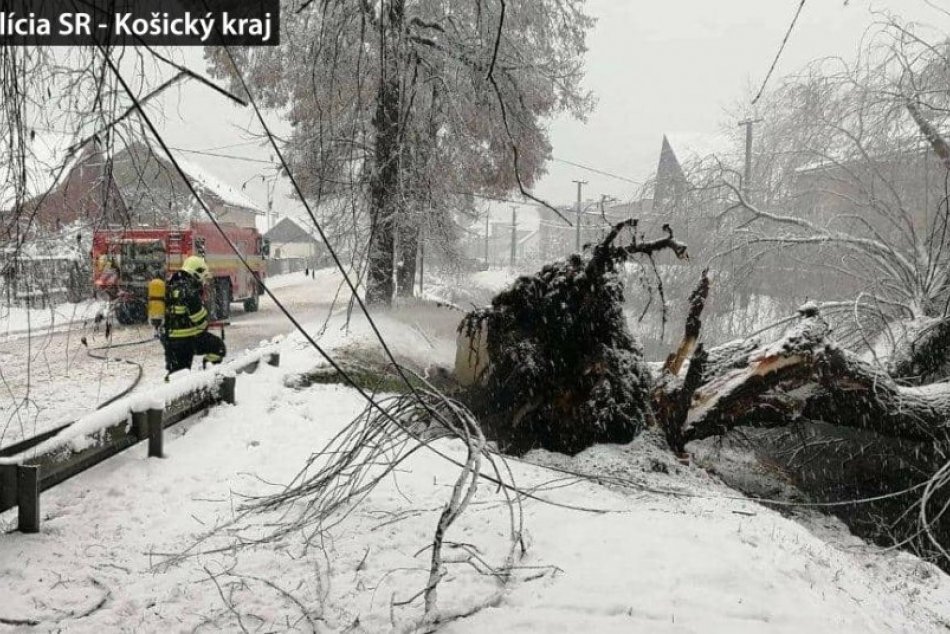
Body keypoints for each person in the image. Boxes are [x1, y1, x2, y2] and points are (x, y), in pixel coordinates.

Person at [163, 255, 226, 377]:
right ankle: (209, 376)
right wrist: (204, 323)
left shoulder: (172, 285)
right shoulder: (189, 290)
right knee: (218, 348)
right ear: (196, 273)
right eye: (202, 277)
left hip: (170, 339)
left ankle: (169, 392)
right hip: (187, 339)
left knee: (175, 372)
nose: (203, 281)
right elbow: (199, 319)